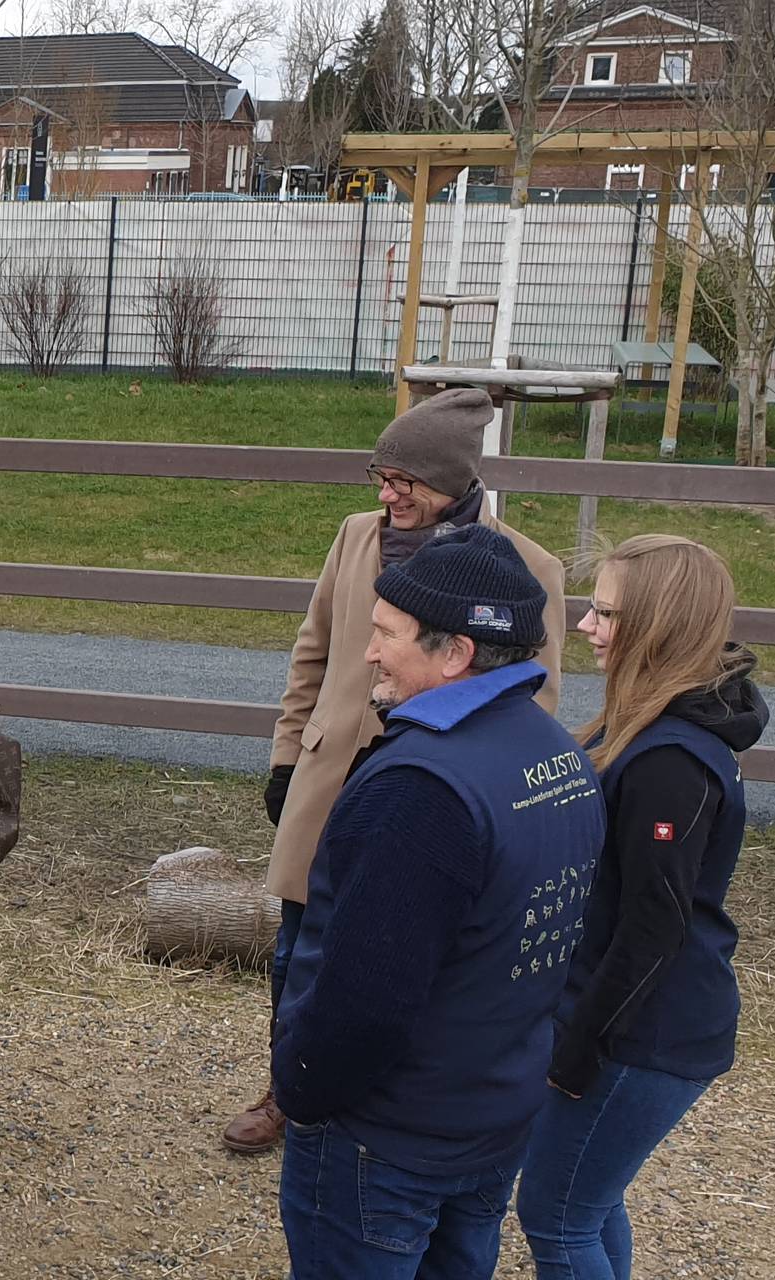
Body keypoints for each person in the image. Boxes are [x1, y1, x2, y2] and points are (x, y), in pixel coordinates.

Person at [227, 387, 573, 1155]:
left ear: (450, 480)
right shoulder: (355, 538)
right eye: (380, 478)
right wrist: (289, 758)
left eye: (402, 481)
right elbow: (313, 652)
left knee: (396, 953)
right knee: (299, 945)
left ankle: (378, 1090)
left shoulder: (529, 567)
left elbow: (535, 698)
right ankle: (291, 1087)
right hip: (331, 784)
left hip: (436, 796)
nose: (385, 495)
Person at [272, 523, 607, 1279]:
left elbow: (367, 996)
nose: (367, 651)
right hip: (492, 1116)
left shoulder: (420, 788)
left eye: (387, 633)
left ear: (454, 653)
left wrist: (300, 1085)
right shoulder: (558, 756)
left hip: (386, 1139)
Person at [517, 536, 767, 1280]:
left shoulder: (668, 761)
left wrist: (579, 1046)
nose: (587, 626)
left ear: (659, 625)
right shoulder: (650, 728)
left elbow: (656, 926)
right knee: (590, 1204)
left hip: (646, 1034)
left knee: (557, 1219)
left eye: (606, 613)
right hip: (635, 1019)